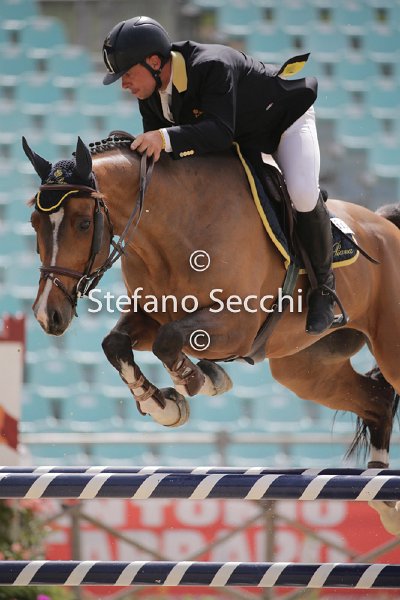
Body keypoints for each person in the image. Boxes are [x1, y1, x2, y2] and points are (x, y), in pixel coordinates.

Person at [102, 15, 337, 335]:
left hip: (283, 122)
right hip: (241, 139)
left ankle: (324, 289)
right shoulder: (150, 94)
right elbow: (168, 160)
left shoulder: (211, 65)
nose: (124, 84)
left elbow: (218, 132)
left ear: (154, 62)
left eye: (127, 74)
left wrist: (163, 138)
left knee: (302, 193)